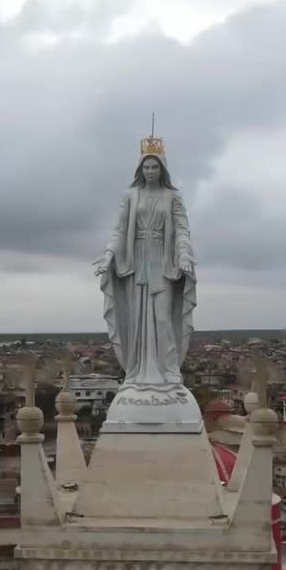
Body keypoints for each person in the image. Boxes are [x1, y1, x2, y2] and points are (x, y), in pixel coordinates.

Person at [94, 134, 197, 388]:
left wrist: (184, 253)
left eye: (155, 167)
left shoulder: (173, 196)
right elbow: (119, 229)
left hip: (162, 260)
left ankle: (169, 369)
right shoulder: (131, 195)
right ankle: (136, 370)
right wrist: (108, 255)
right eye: (146, 167)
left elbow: (183, 229)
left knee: (162, 316)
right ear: (140, 168)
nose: (150, 171)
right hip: (136, 260)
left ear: (163, 168)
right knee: (137, 318)